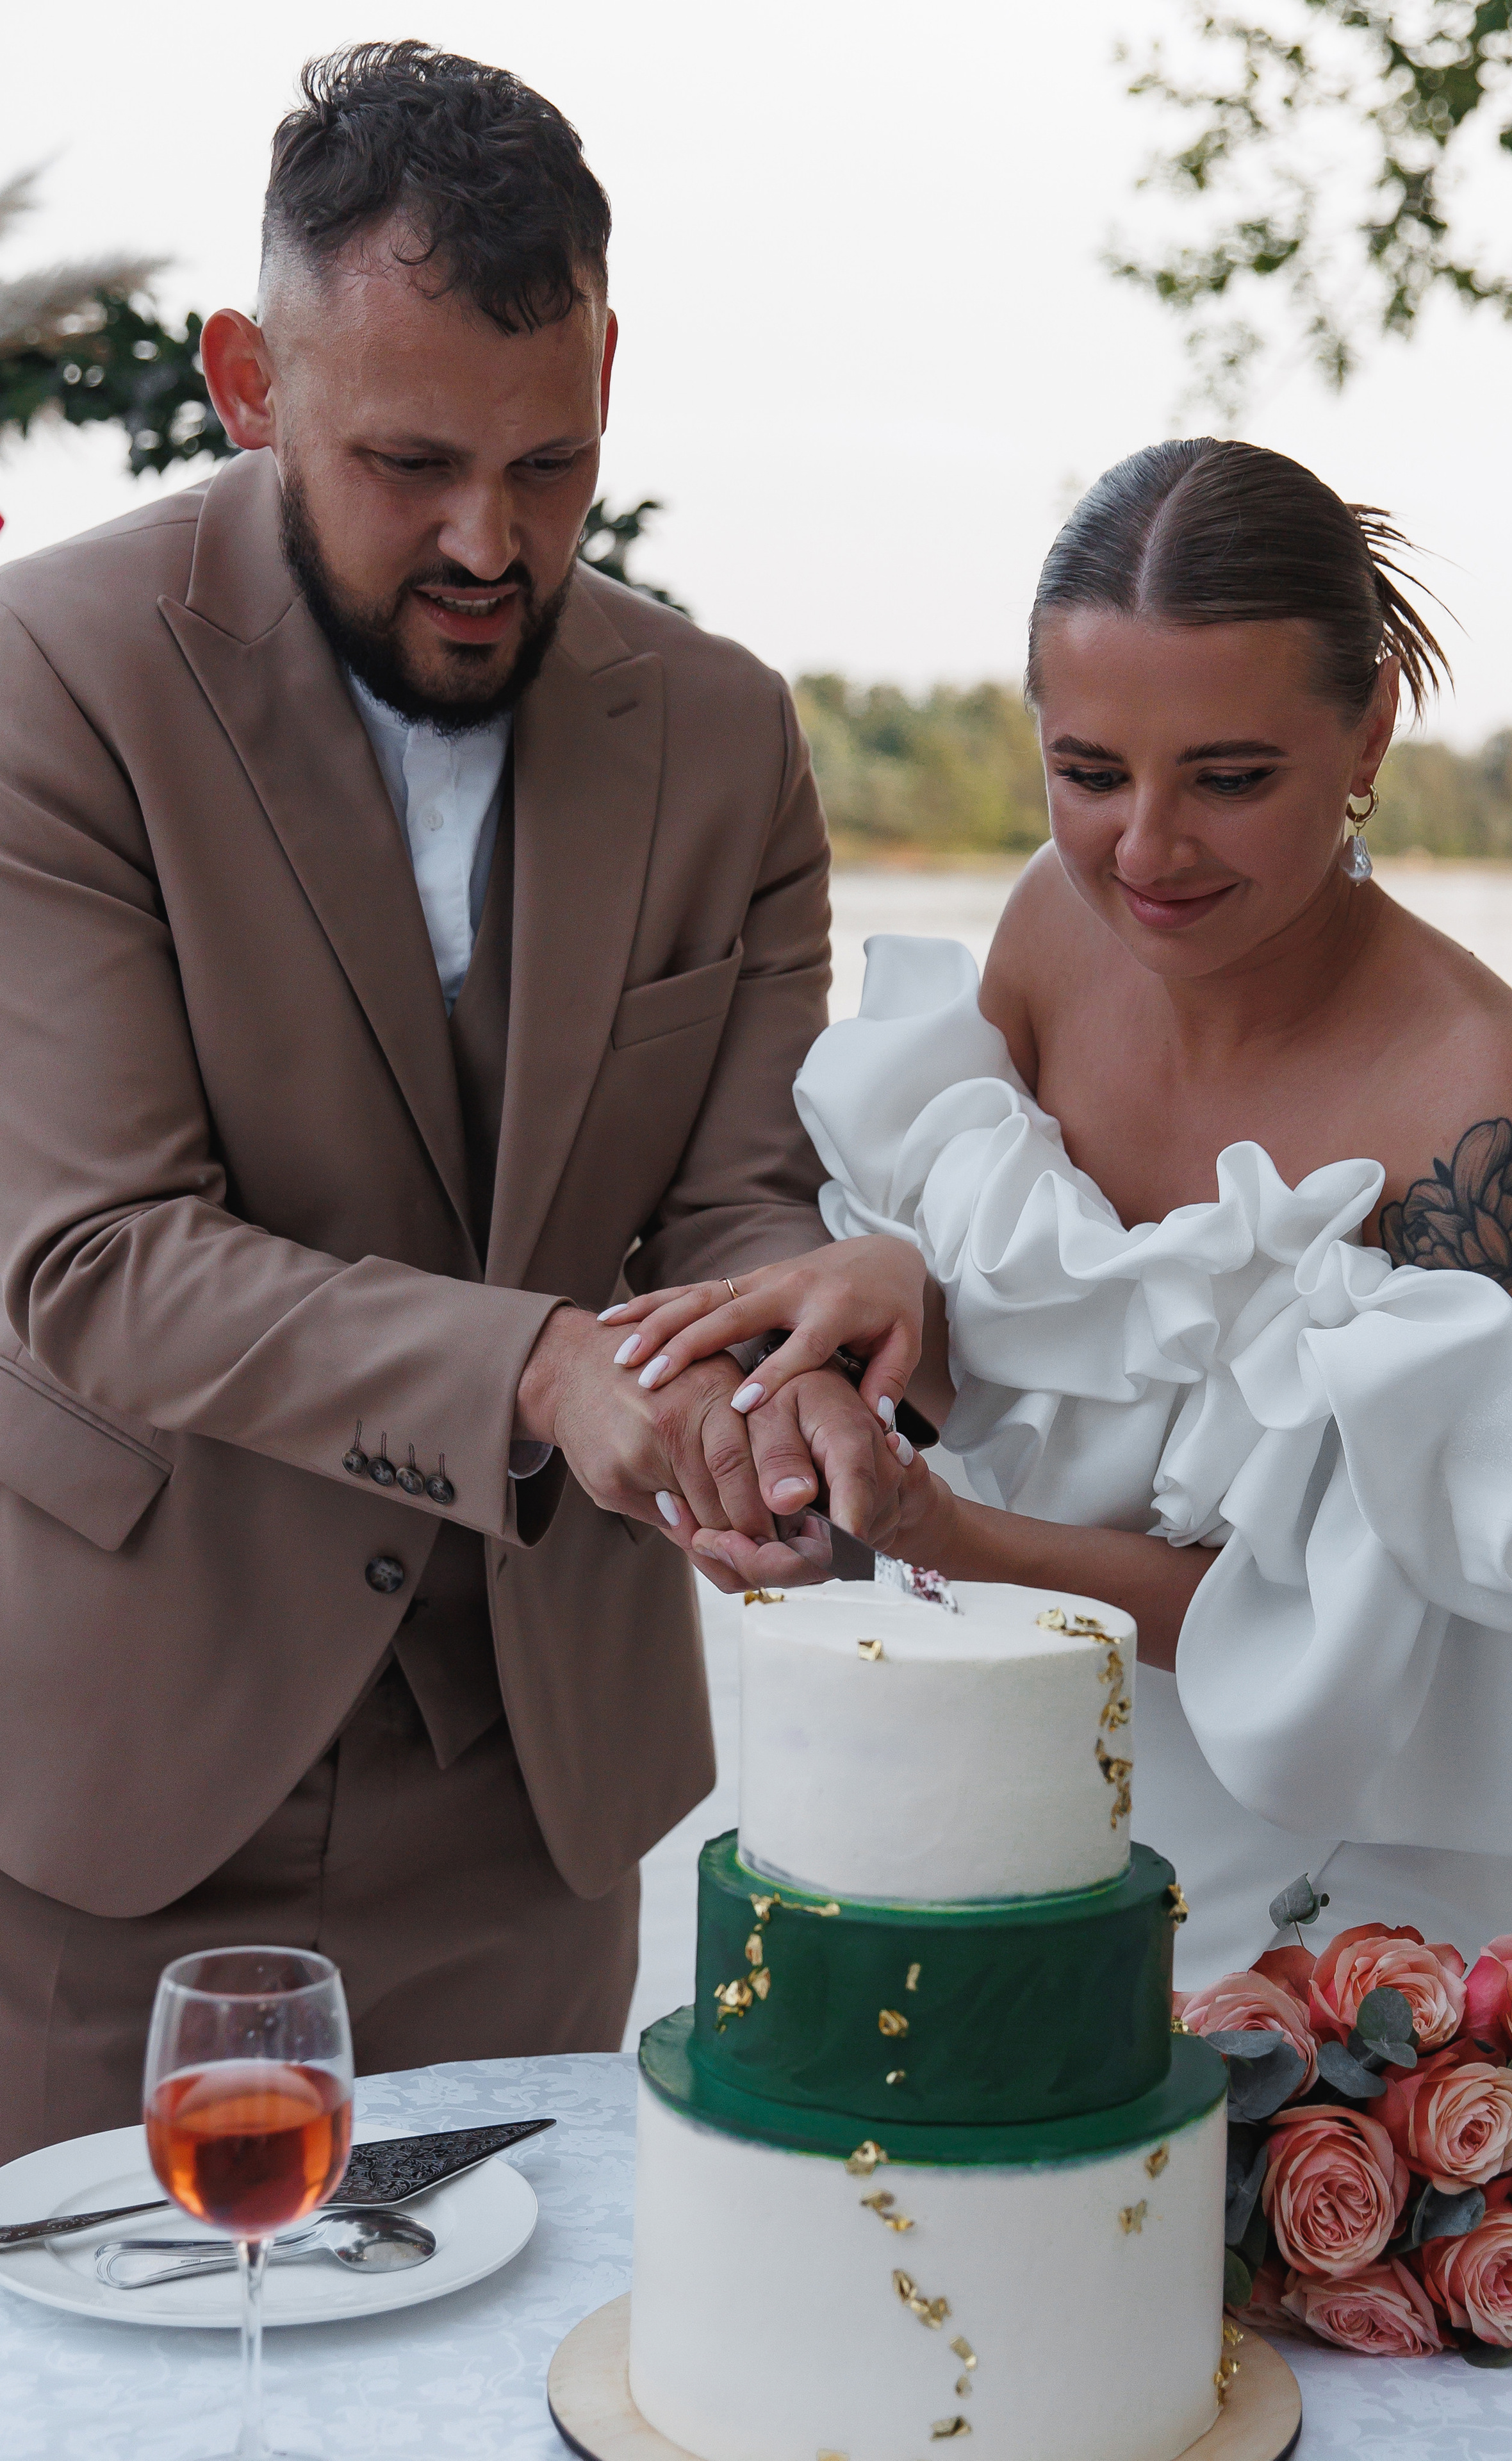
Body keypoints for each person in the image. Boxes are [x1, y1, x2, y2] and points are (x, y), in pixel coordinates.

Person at [0, 42, 903, 2161]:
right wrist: (542, 1374)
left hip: (537, 1812)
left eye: (552, 465)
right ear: (247, 379)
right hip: (112, 1785)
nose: (490, 542)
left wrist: (783, 1397)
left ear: (611, 376)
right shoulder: (48, 677)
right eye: (408, 463)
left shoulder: (729, 738)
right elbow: (95, 1262)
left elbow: (740, 1205)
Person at [604, 438, 1512, 1987]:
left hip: (1336, 1910)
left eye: (1228, 779)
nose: (1144, 851)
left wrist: (940, 1533)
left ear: (1366, 727)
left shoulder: (1481, 1122)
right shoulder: (1052, 919)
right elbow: (1050, 1348)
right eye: (1088, 774)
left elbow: (1349, 1642)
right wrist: (890, 1278)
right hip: (1011, 1814)